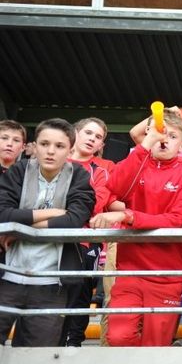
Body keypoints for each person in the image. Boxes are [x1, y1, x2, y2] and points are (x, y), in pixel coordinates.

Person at [94, 110, 182, 347]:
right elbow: (114, 189)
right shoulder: (137, 161)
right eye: (159, 134)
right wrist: (144, 145)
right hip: (129, 271)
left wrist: (127, 215)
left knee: (156, 345)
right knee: (118, 337)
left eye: (172, 136)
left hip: (167, 275)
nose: (164, 140)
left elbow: (176, 220)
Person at [0, 119, 95, 347]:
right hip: (7, 276)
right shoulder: (19, 171)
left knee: (36, 356)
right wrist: (53, 212)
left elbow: (74, 220)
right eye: (44, 144)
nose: (50, 151)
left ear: (70, 150)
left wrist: (21, 229)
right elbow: (2, 214)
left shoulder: (79, 176)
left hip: (52, 282)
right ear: (34, 146)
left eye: (59, 146)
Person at [61, 117, 117, 347]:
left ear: (101, 145)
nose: (92, 139)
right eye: (88, 133)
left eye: (98, 137)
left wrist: (58, 212)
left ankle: (73, 344)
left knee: (81, 294)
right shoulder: (56, 160)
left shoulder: (105, 167)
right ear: (75, 133)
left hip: (86, 242)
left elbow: (95, 204)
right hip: (48, 241)